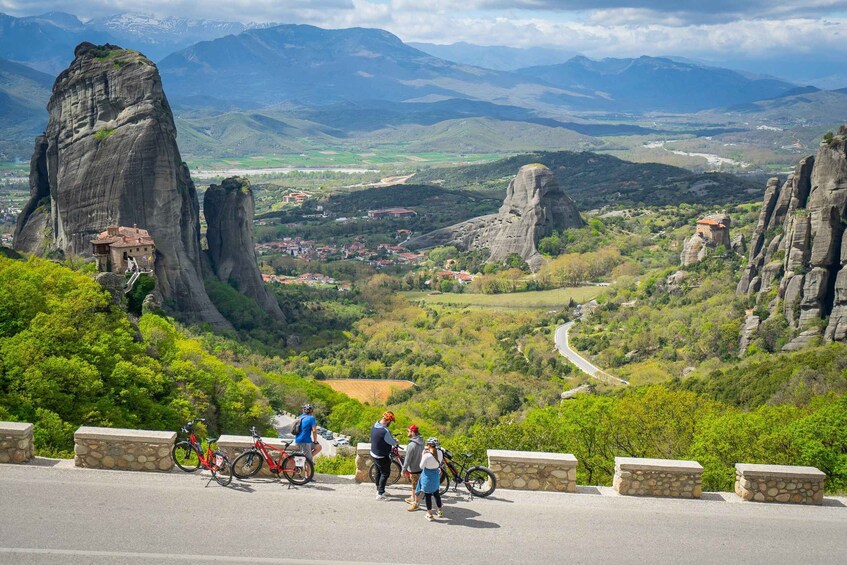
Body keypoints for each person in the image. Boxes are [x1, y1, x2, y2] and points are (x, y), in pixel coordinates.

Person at [370, 411, 399, 500]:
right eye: (390, 422)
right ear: (388, 421)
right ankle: (380, 494)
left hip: (373, 453)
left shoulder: (375, 425)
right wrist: (396, 441)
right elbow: (392, 442)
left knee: (378, 472)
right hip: (381, 456)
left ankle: (379, 489)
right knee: (385, 473)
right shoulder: (384, 431)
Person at [419, 437, 444, 521]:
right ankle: (440, 510)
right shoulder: (440, 453)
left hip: (427, 476)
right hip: (436, 475)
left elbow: (421, 466)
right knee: (436, 493)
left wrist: (423, 455)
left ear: (429, 445)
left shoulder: (426, 455)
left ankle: (429, 514)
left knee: (428, 495)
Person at [401, 424, 423, 511]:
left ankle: (415, 502)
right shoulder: (421, 441)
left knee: (415, 485)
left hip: (414, 467)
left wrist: (403, 470)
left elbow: (407, 459)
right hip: (420, 466)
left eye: (408, 431)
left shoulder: (411, 445)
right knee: (416, 484)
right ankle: (412, 497)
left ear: (412, 432)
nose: (407, 432)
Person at [294, 403, 322, 471]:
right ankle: (307, 477)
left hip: (298, 440)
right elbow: (314, 431)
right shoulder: (311, 418)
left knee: (318, 447)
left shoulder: (300, 417)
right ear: (311, 411)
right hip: (305, 442)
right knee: (309, 460)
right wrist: (315, 441)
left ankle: (306, 458)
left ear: (303, 410)